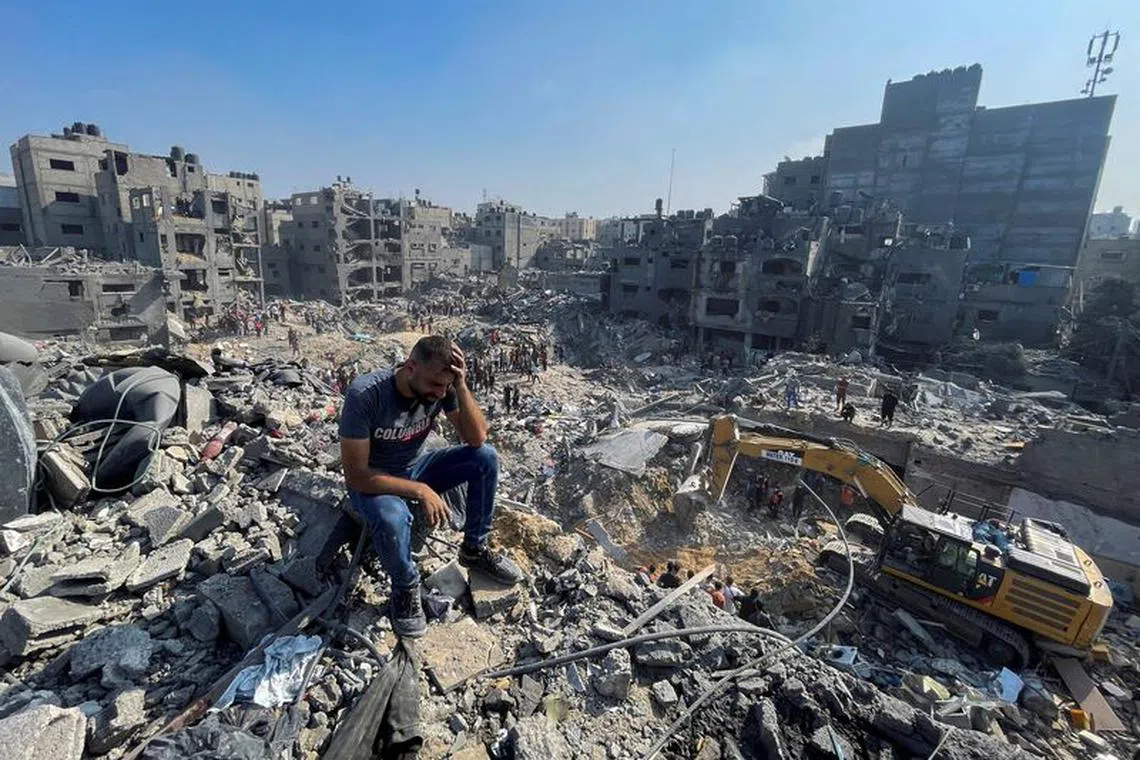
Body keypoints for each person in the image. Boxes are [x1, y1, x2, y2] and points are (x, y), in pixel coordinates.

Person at [339, 336, 523, 638]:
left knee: (485, 458)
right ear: (410, 368)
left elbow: (477, 438)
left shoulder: (443, 387)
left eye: (445, 387)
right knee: (391, 518)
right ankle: (405, 586)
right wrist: (420, 491)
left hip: (416, 467)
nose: (440, 393)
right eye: (435, 385)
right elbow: (357, 476)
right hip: (376, 480)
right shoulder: (366, 395)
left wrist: (460, 385)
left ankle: (475, 549)